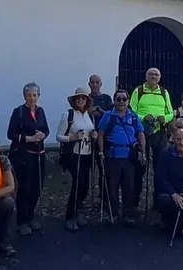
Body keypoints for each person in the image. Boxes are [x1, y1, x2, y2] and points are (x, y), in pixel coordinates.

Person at [98, 89, 146, 224]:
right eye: (118, 99)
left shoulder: (134, 116)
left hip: (129, 157)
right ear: (114, 101)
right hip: (113, 156)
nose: (121, 102)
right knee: (112, 186)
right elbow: (101, 134)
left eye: (124, 99)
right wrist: (101, 152)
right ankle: (112, 213)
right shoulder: (108, 116)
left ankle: (128, 213)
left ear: (128, 101)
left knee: (128, 186)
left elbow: (140, 133)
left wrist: (143, 152)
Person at [7, 82, 49, 235]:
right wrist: (29, 138)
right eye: (29, 95)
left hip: (39, 155)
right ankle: (21, 221)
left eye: (35, 95)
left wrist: (43, 135)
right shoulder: (18, 112)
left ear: (38, 96)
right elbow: (11, 134)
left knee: (37, 187)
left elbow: (46, 128)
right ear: (24, 96)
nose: (32, 98)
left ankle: (30, 217)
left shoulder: (40, 111)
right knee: (25, 188)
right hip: (23, 156)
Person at [130, 67, 174, 209]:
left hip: (159, 133)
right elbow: (132, 111)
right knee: (139, 167)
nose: (153, 77)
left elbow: (170, 113)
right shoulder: (139, 91)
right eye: (151, 74)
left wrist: (164, 118)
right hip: (142, 132)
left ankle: (159, 202)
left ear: (160, 77)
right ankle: (134, 202)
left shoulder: (164, 92)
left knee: (160, 167)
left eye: (156, 74)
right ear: (146, 76)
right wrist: (143, 117)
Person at [56, 87, 97, 231]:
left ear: (87, 100)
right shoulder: (68, 115)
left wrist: (94, 136)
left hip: (87, 153)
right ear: (74, 100)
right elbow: (58, 136)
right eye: (78, 98)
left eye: (83, 98)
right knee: (78, 183)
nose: (80, 100)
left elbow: (91, 131)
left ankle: (78, 211)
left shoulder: (88, 115)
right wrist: (72, 138)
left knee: (85, 185)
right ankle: (70, 216)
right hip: (74, 154)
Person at [88, 74, 114, 199]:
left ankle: (103, 195)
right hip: (89, 137)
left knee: (103, 166)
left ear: (101, 84)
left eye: (97, 82)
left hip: (104, 137)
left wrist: (100, 111)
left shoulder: (106, 99)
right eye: (92, 82)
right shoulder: (85, 99)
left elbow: (112, 115)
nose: (94, 85)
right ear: (89, 84)